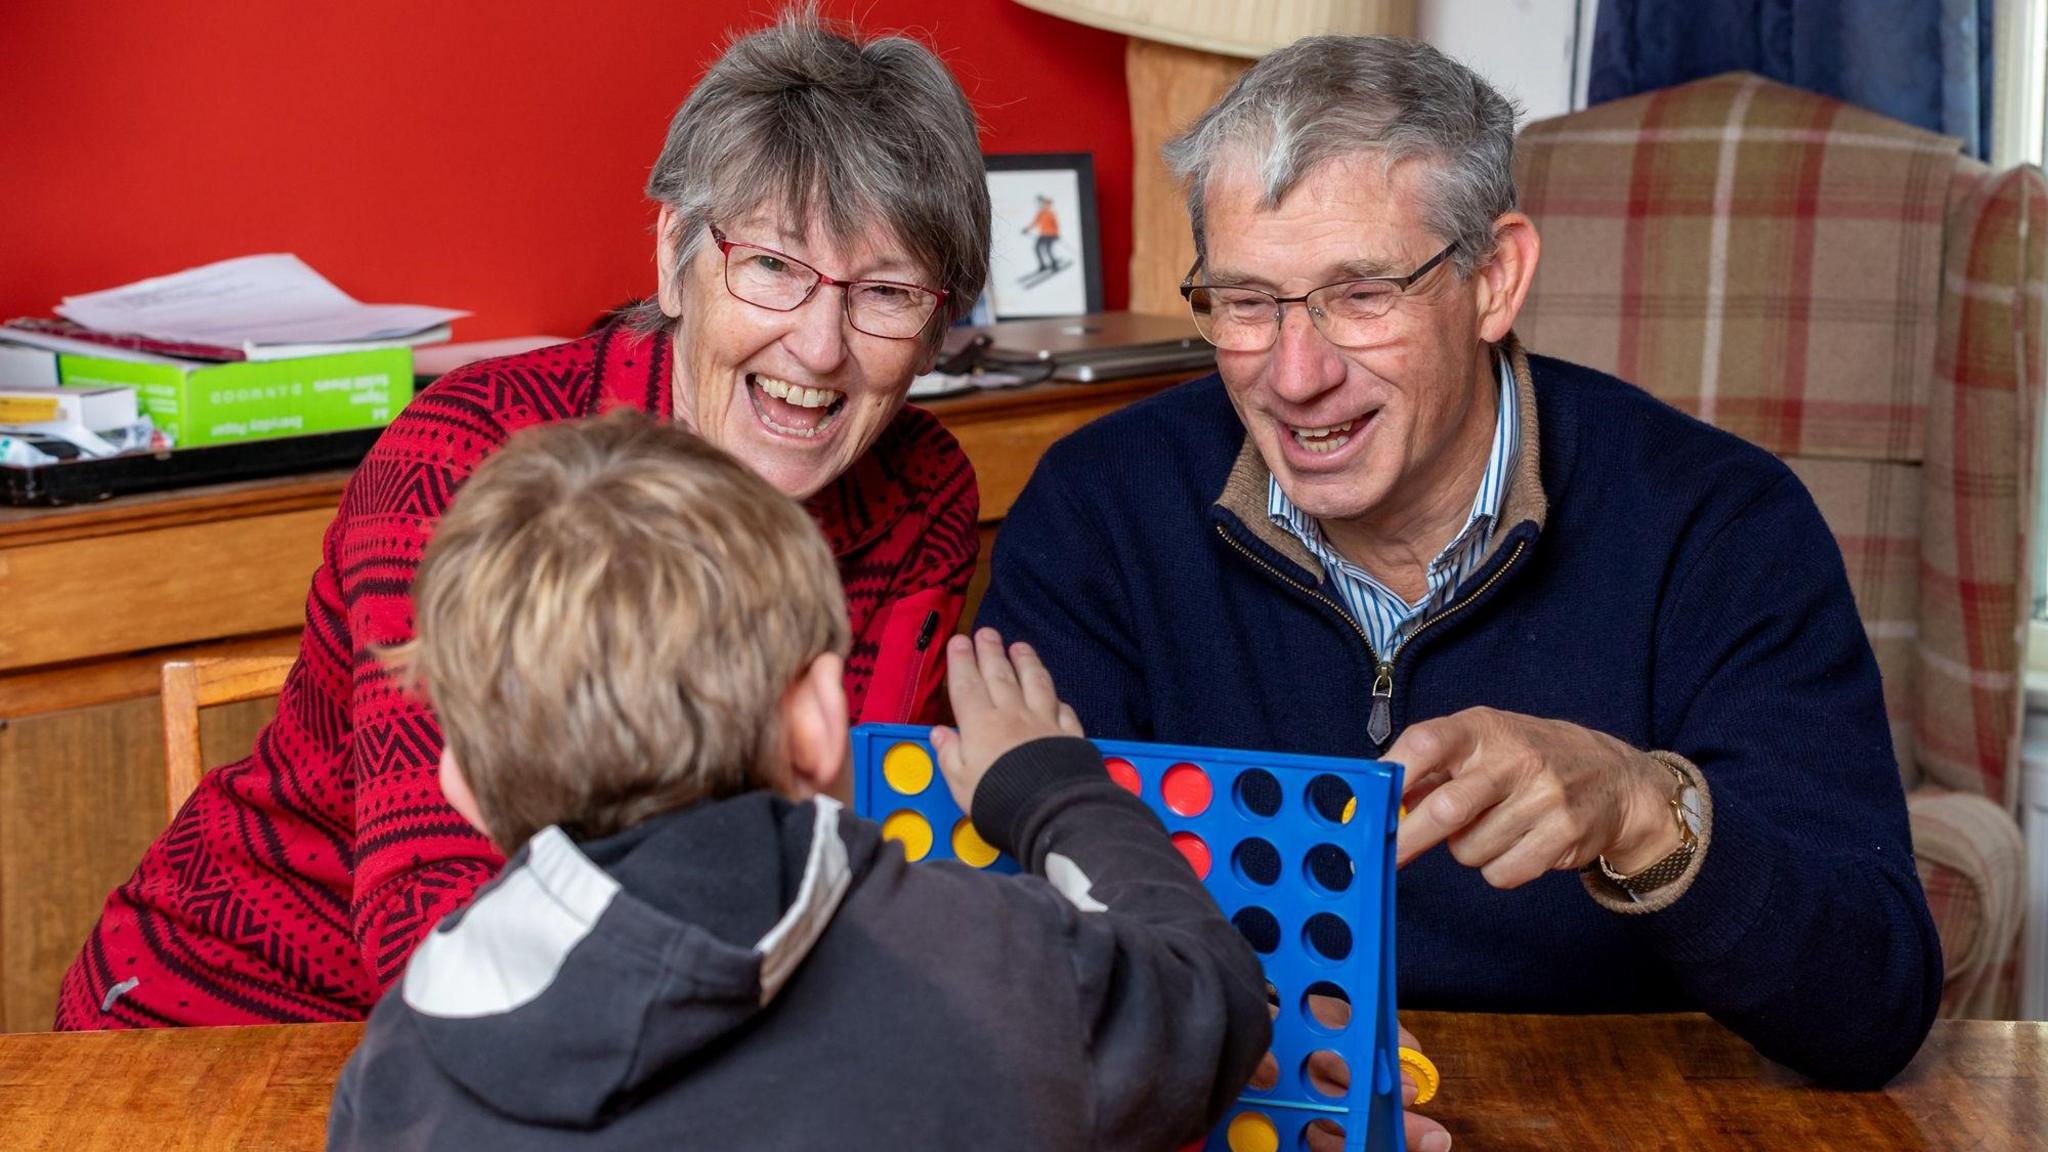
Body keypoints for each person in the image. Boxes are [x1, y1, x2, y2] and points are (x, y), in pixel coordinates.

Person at [977, 33, 1942, 1098]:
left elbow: (1871, 1007)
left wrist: (1642, 811)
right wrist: (1274, 1050)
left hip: (1616, 1114)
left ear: (1494, 278)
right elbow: (1013, 944)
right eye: (1246, 302)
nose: (1294, 376)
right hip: (1233, 1102)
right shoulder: (1095, 512)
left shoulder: (1720, 526)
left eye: (1359, 295)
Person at [60, 10, 991, 1029]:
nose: (818, 347)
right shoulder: (470, 463)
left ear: (937, 325)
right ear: (675, 248)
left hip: (654, 1029)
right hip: (239, 1028)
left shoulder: (918, 491)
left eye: (886, 292)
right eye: (771, 266)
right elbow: (440, 926)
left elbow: (845, 842)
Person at [324, 412, 1271, 1151]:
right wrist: (1052, 784)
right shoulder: (997, 966)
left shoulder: (407, 1056)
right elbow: (1210, 1004)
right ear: (821, 718)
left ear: (461, 779)